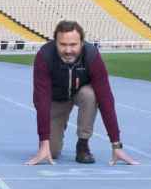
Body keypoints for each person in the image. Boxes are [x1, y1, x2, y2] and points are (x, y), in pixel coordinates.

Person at [26, 20, 139, 166]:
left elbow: (106, 99)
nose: (68, 50)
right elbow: (41, 101)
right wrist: (44, 142)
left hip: (81, 93)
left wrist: (116, 145)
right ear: (55, 43)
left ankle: (83, 145)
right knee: (52, 152)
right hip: (56, 100)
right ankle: (56, 133)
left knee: (91, 94)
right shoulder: (45, 56)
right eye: (63, 44)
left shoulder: (91, 56)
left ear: (82, 43)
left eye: (73, 45)